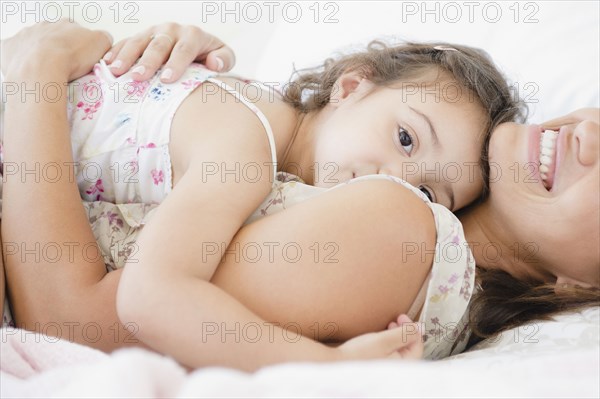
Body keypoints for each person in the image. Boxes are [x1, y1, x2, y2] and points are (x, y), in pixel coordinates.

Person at [7, 21, 593, 372]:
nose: (589, 130)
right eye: (406, 135)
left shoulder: (402, 227)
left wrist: (39, 67)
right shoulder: (254, 146)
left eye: (424, 186)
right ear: (350, 86)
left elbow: (73, 318)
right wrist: (47, 66)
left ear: (585, 287)